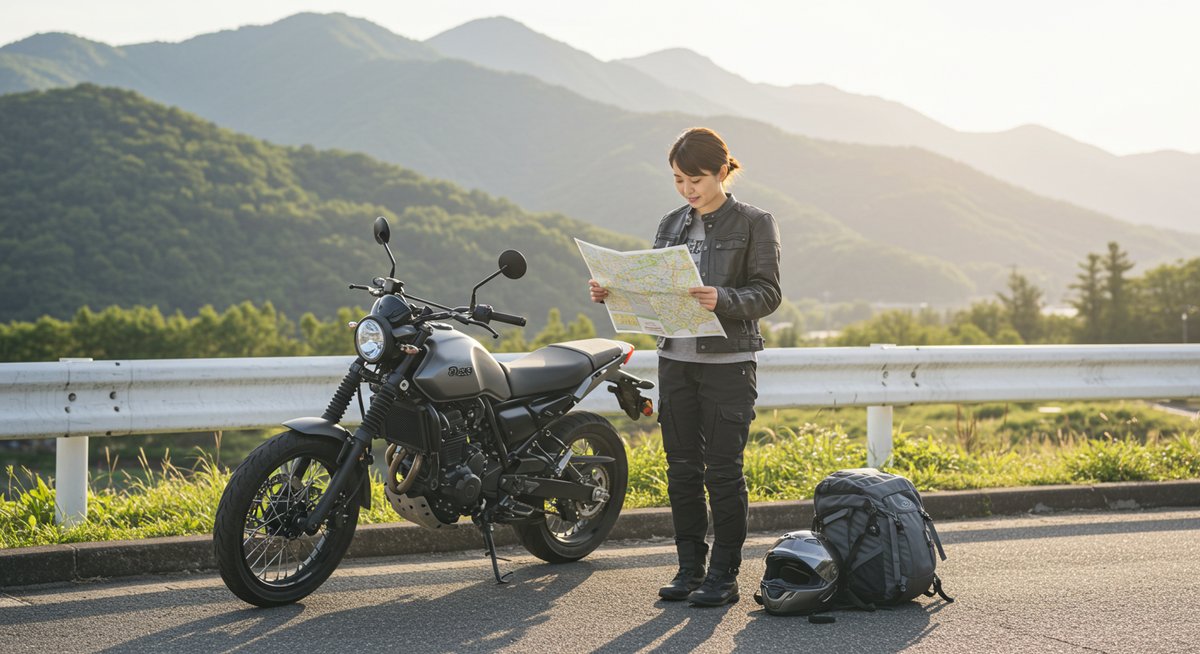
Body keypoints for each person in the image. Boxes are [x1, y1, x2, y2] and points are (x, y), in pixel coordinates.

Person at [589, 127, 781, 606]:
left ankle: (723, 575)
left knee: (722, 472)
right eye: (678, 180)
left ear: (722, 171)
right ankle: (689, 569)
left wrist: (724, 299)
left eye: (695, 179)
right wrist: (615, 292)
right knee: (681, 471)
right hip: (675, 360)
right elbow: (656, 290)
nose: (687, 190)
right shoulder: (671, 223)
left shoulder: (754, 222)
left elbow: (769, 293)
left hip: (728, 364)